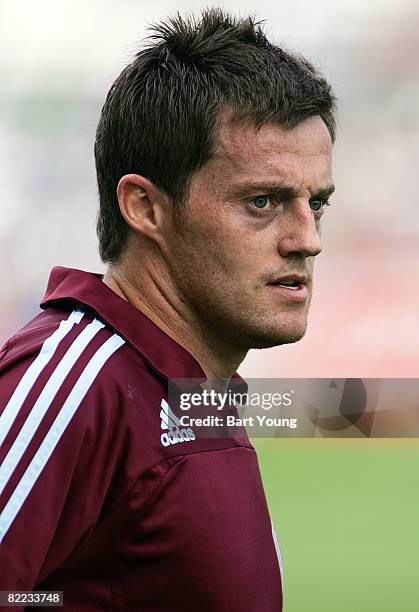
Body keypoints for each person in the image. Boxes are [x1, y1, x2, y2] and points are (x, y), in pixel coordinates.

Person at [0, 8, 336, 611]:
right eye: (262, 201)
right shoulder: (76, 381)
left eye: (317, 204)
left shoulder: (203, 395)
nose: (307, 238)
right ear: (146, 208)